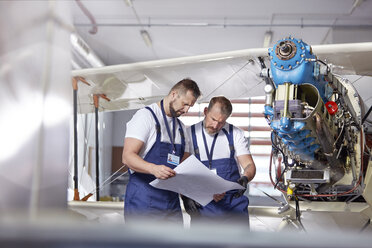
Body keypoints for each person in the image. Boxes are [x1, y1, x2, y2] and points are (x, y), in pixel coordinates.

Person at [122, 78, 201, 224]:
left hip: (171, 203)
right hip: (143, 201)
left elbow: (183, 169)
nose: (186, 110)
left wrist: (187, 196)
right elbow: (127, 157)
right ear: (173, 94)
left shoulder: (182, 129)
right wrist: (153, 169)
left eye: (190, 106)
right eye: (185, 104)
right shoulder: (145, 117)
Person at [182, 96, 256, 226]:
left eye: (221, 122)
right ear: (205, 111)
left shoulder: (235, 134)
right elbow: (183, 170)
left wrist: (245, 178)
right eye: (213, 119)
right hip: (203, 207)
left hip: (234, 206)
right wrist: (186, 196)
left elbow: (249, 165)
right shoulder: (189, 134)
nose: (216, 125)